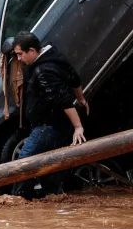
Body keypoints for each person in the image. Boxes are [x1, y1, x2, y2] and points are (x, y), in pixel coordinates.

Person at [10, 31, 88, 198]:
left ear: (31, 51)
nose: (19, 59)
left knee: (24, 165)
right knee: (50, 170)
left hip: (48, 127)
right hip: (56, 125)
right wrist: (81, 100)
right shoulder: (56, 56)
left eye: (19, 54)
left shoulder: (42, 72)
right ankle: (51, 203)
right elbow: (75, 79)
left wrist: (78, 126)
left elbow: (63, 100)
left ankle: (18, 205)